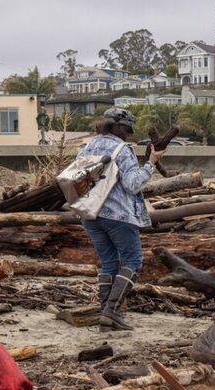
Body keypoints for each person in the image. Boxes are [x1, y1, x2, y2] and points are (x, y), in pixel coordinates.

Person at [75, 107, 166, 331]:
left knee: (109, 262)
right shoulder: (121, 149)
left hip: (89, 213)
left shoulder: (87, 146)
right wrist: (151, 162)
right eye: (126, 129)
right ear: (117, 127)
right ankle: (112, 311)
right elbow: (132, 184)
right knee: (133, 260)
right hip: (118, 215)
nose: (128, 133)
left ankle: (107, 313)